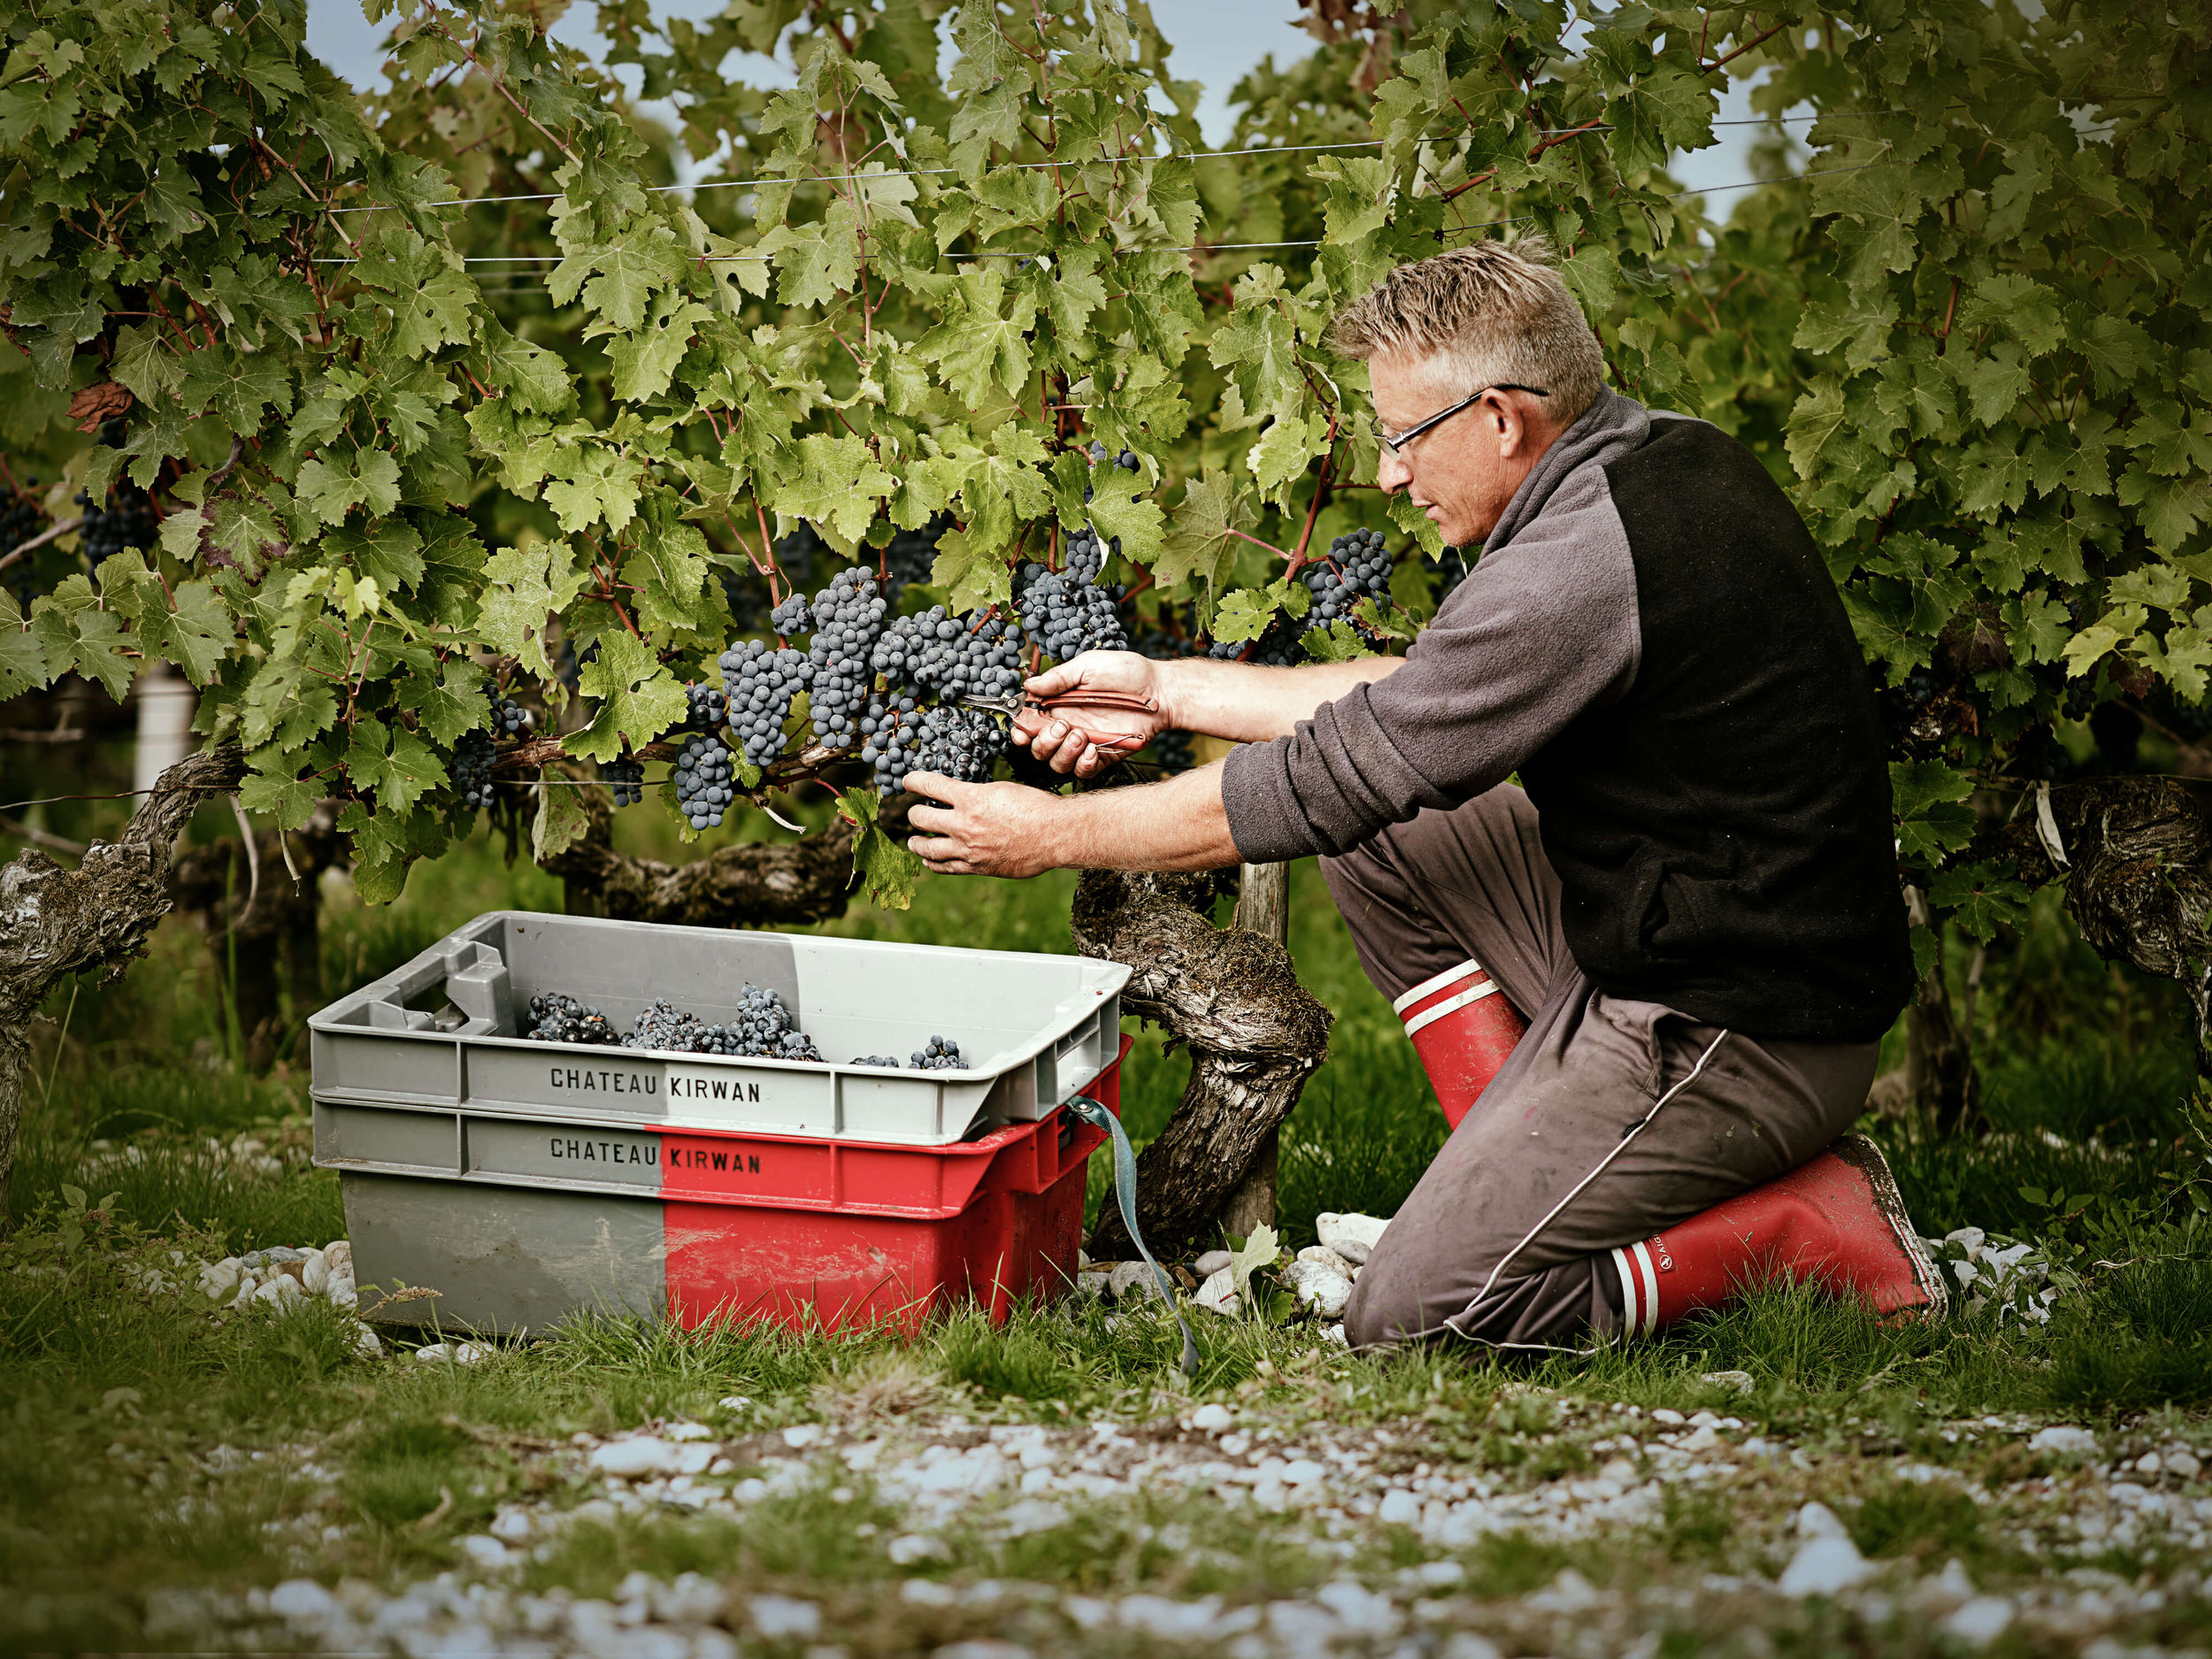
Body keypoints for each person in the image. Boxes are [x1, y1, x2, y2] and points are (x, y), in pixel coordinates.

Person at [899, 240, 1946, 1354]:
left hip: (1735, 1027)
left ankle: (1796, 1229)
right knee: (1392, 843)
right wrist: (1166, 689)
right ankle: (1518, 1168)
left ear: (1499, 419)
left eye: (1403, 438)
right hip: (1675, 940)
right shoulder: (1651, 464)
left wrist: (1052, 833)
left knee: (1417, 1313)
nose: (1390, 475)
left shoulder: (1578, 562)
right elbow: (1418, 700)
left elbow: (1329, 780)